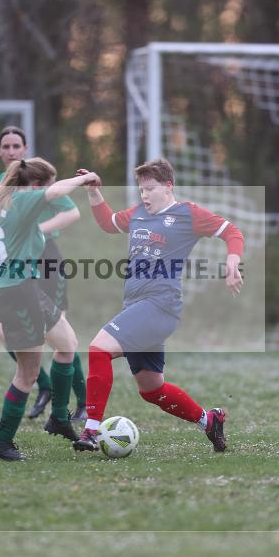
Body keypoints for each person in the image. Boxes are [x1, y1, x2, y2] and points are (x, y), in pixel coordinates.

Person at [70, 158, 245, 453]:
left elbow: (232, 232)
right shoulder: (138, 214)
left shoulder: (186, 214)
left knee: (98, 349)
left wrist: (231, 262)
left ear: (168, 186)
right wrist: (93, 191)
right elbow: (107, 223)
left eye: (150, 189)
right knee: (152, 389)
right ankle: (209, 420)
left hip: (160, 305)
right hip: (136, 307)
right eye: (141, 190)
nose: (144, 195)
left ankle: (90, 431)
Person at [0, 158, 101, 460]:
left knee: (67, 344)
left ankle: (59, 418)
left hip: (26, 290)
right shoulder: (23, 200)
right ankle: (1, 442)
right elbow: (56, 193)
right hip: (18, 294)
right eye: (44, 185)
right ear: (35, 185)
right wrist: (86, 180)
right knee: (27, 374)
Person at [0, 127, 89, 422]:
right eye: (5, 146)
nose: (11, 151)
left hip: (45, 258)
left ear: (25, 148)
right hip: (16, 265)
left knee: (63, 335)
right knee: (3, 330)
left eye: (16, 145)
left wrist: (34, 231)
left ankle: (84, 403)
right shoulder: (1, 183)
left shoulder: (38, 180)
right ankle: (43, 385)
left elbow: (71, 213)